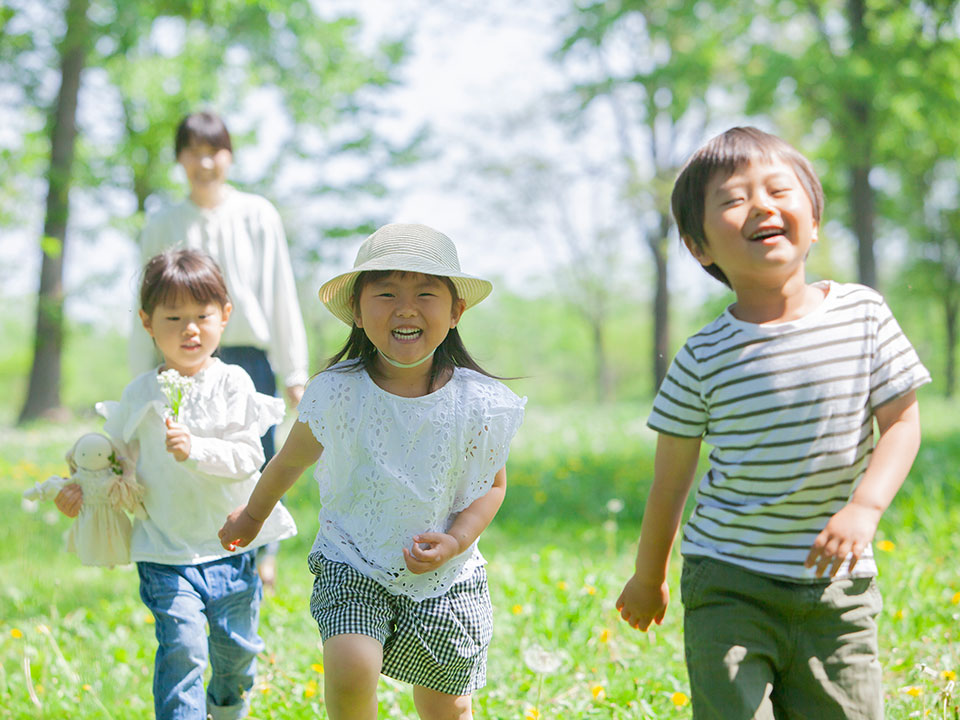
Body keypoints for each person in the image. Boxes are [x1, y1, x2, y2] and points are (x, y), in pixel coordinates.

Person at [615, 127, 930, 719]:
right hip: (728, 581)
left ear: (813, 219)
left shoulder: (863, 313)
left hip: (837, 587)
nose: (761, 205)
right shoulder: (702, 357)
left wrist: (865, 509)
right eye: (733, 200)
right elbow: (670, 482)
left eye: (779, 190)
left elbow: (904, 423)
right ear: (699, 247)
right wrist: (648, 575)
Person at [218, 223, 526, 720]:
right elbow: (291, 459)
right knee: (352, 665)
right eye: (386, 293)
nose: (405, 308)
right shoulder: (339, 394)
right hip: (353, 558)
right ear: (358, 313)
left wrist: (456, 540)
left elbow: (492, 486)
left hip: (446, 573)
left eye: (425, 293)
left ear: (455, 313)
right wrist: (253, 516)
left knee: (448, 706)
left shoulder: (477, 402)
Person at [57, 249, 297, 719]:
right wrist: (82, 488)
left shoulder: (233, 383)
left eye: (202, 316)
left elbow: (251, 457)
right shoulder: (141, 392)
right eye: (174, 317)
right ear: (148, 323)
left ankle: (225, 709)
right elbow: (114, 461)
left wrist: (197, 449)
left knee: (236, 654)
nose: (190, 329)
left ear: (224, 316)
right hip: (165, 550)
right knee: (182, 647)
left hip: (229, 546)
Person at [130, 110, 308, 589]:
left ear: (228, 155)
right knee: (192, 456)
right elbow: (143, 305)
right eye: (193, 151)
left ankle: (260, 553)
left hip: (247, 353)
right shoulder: (163, 222)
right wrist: (138, 376)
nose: (204, 162)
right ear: (180, 158)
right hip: (182, 360)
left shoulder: (256, 214)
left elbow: (279, 292)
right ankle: (198, 551)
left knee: (258, 455)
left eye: (214, 151)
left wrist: (294, 371)